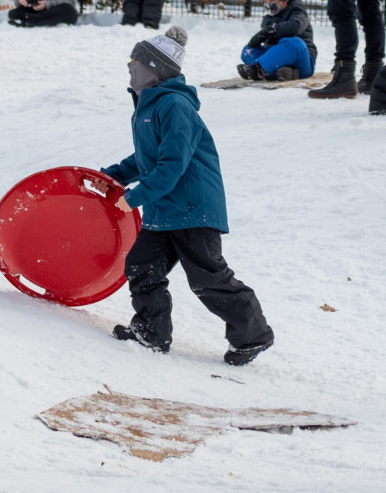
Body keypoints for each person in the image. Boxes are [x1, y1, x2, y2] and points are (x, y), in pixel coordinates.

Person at [100, 26, 275, 364]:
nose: (130, 67)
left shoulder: (176, 107)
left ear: (153, 69)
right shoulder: (147, 106)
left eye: (135, 62)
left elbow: (172, 166)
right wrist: (113, 176)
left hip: (194, 209)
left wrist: (133, 198)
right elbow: (146, 158)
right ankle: (151, 332)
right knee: (141, 266)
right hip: (163, 209)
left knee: (207, 278)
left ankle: (253, 334)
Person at [237, 0, 317, 81]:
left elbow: (296, 27)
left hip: (302, 62)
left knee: (294, 43)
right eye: (266, 0)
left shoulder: (298, 12)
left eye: (273, 0)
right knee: (248, 50)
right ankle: (281, 73)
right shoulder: (268, 18)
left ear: (285, 0)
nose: (269, 4)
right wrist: (259, 39)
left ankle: (259, 70)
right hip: (276, 60)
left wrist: (271, 31)